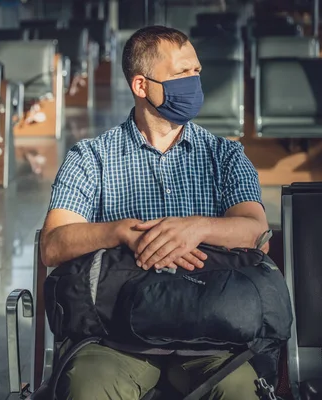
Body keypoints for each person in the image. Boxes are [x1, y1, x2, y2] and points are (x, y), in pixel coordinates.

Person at [41, 26, 269, 400]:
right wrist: (121, 233)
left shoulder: (226, 157)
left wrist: (195, 228)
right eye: (182, 74)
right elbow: (53, 245)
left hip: (208, 330)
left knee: (240, 390)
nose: (194, 81)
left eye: (196, 71)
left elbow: (256, 233)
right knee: (87, 390)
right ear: (141, 86)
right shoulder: (90, 158)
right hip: (115, 335)